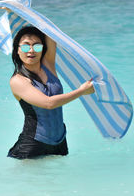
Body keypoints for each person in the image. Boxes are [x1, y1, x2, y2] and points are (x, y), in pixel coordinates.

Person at [6, 25, 95, 159]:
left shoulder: (48, 65)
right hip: (32, 145)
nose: (31, 50)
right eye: (25, 46)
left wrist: (18, 10)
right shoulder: (18, 81)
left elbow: (50, 33)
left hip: (60, 142)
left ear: (42, 49)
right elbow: (48, 103)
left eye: (37, 46)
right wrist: (81, 91)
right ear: (17, 50)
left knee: (60, 180)